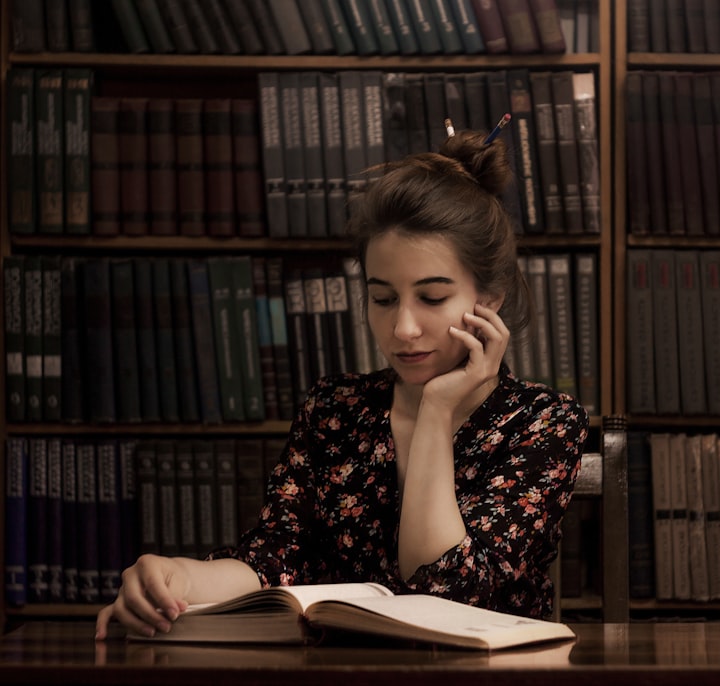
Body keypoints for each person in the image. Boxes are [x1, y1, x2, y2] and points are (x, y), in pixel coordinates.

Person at [95, 127, 589, 640]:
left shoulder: (544, 422)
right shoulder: (336, 407)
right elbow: (274, 557)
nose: (403, 329)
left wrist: (437, 411)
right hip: (344, 672)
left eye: (433, 298)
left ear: (491, 298)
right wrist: (177, 577)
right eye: (382, 298)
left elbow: (443, 589)